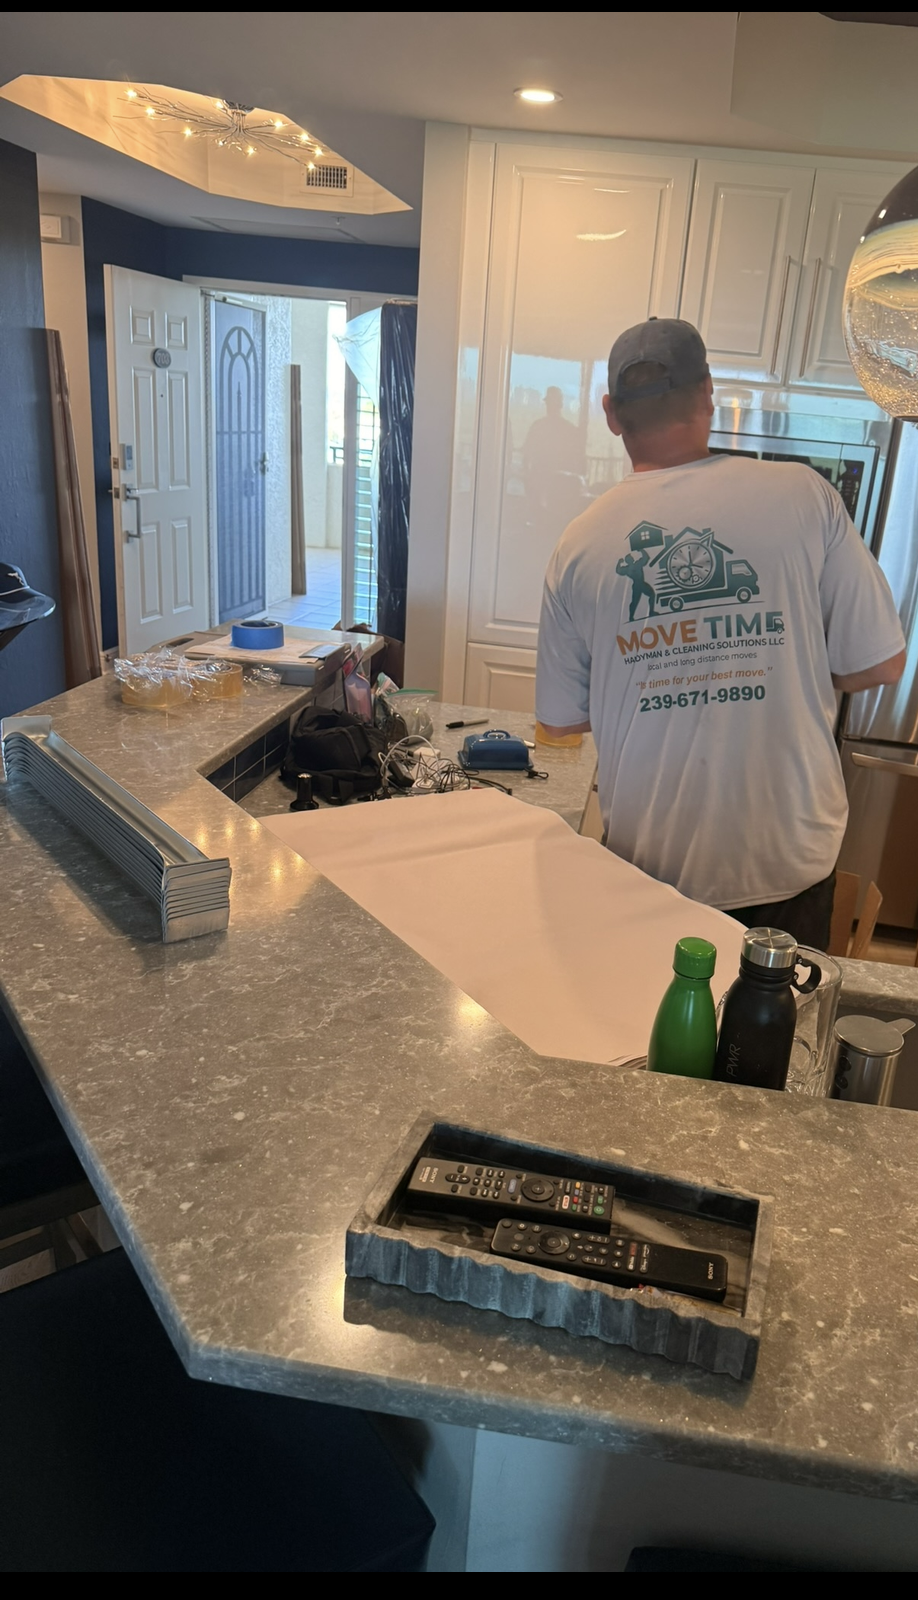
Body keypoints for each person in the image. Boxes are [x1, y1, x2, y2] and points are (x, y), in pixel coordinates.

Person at [535, 318, 906, 949]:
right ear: (708, 393)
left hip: (648, 869)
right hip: (789, 866)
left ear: (610, 415)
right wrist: (779, 661)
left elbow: (563, 723)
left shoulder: (579, 544)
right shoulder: (803, 494)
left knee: (646, 1042)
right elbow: (878, 665)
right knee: (773, 1044)